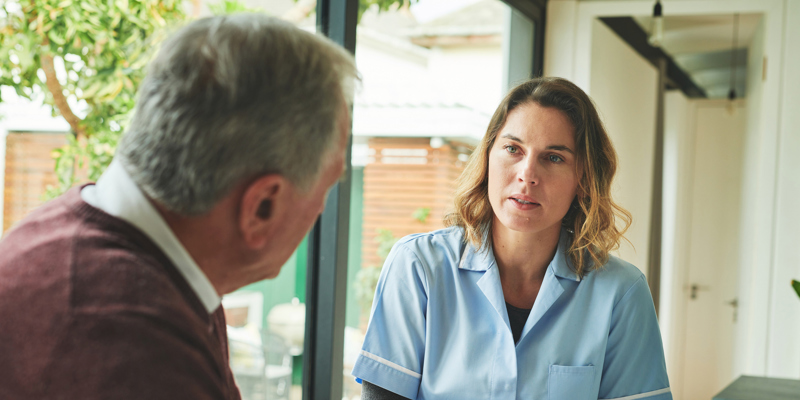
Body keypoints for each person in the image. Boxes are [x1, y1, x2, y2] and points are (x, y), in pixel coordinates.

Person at [0, 14, 357, 400]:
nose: (322, 209)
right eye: (328, 185)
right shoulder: (130, 346)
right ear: (262, 207)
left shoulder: (114, 250)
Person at [352, 77, 672, 400]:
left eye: (554, 157)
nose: (527, 175)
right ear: (488, 156)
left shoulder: (622, 294)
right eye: (512, 149)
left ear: (583, 179)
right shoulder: (418, 267)